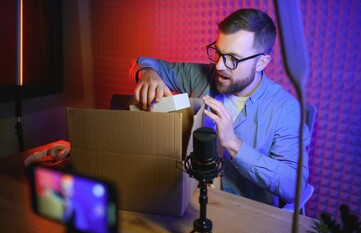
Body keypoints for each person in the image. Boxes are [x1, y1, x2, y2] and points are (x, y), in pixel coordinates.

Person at [128, 8, 310, 207]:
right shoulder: (202, 75)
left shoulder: (287, 110)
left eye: (233, 59)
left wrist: (233, 143)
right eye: (218, 52)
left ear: (261, 62)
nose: (219, 66)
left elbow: (295, 187)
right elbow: (146, 62)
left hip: (242, 214)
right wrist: (148, 74)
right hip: (190, 201)